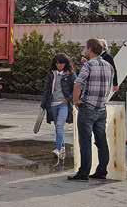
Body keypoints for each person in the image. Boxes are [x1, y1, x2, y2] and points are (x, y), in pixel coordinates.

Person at [68, 38, 115, 181]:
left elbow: (78, 84)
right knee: (101, 141)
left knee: (85, 141)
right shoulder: (109, 65)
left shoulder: (89, 65)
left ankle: (83, 173)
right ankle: (101, 171)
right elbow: (110, 85)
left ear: (89, 49)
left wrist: (76, 101)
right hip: (102, 108)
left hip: (88, 107)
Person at [40, 53, 75, 159]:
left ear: (66, 63)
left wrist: (68, 99)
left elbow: (77, 88)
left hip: (63, 104)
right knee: (57, 127)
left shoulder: (70, 74)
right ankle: (62, 146)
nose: (59, 65)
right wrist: (43, 104)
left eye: (62, 63)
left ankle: (58, 149)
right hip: (52, 104)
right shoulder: (51, 74)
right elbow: (47, 90)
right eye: (57, 63)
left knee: (60, 125)